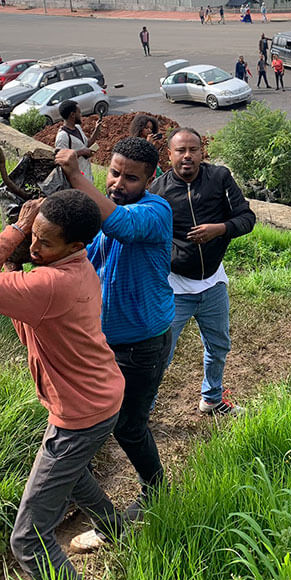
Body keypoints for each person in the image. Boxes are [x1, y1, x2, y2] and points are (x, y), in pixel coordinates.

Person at [0, 191, 125, 580]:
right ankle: (115, 528)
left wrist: (14, 230)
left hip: (80, 412)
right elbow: (27, 314)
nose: (34, 245)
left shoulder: (51, 283)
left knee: (28, 539)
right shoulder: (76, 267)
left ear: (75, 246)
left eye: (44, 242)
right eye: (33, 235)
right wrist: (26, 244)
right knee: (69, 472)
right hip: (101, 396)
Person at [54, 138, 175, 546]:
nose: (119, 183)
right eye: (114, 172)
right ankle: (77, 497)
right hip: (101, 344)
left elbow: (120, 225)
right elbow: (80, 256)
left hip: (142, 343)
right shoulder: (101, 215)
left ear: (151, 178)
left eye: (130, 177)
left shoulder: (156, 211)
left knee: (128, 425)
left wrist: (75, 175)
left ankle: (155, 489)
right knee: (89, 426)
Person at [150, 128, 256, 415]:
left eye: (193, 149)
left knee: (219, 343)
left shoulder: (219, 178)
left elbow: (247, 218)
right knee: (162, 353)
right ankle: (142, 408)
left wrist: (219, 230)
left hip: (213, 283)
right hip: (175, 287)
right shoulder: (157, 192)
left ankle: (211, 398)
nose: (187, 156)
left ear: (202, 152)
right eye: (180, 150)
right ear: (169, 154)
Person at [54, 100, 101, 183]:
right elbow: (61, 160)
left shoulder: (77, 128)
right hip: (76, 183)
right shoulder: (63, 137)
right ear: (72, 114)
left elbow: (88, 144)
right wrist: (81, 152)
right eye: (79, 113)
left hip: (87, 177)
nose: (81, 115)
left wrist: (97, 129)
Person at [129, 113, 164, 177]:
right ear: (139, 128)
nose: (149, 130)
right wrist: (148, 144)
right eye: (146, 128)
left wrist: (155, 148)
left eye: (151, 128)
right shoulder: (134, 143)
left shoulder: (150, 140)